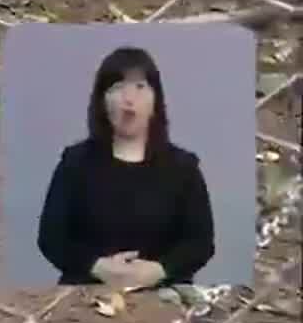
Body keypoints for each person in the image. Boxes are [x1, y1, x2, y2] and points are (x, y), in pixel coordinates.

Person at [36, 45, 215, 288]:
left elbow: (200, 243)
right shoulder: (75, 162)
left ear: (156, 102)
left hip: (163, 296)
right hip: (86, 291)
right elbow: (51, 238)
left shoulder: (183, 168)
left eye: (140, 87)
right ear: (102, 101)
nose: (129, 99)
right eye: (118, 88)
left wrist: (158, 270)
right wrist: (98, 267)